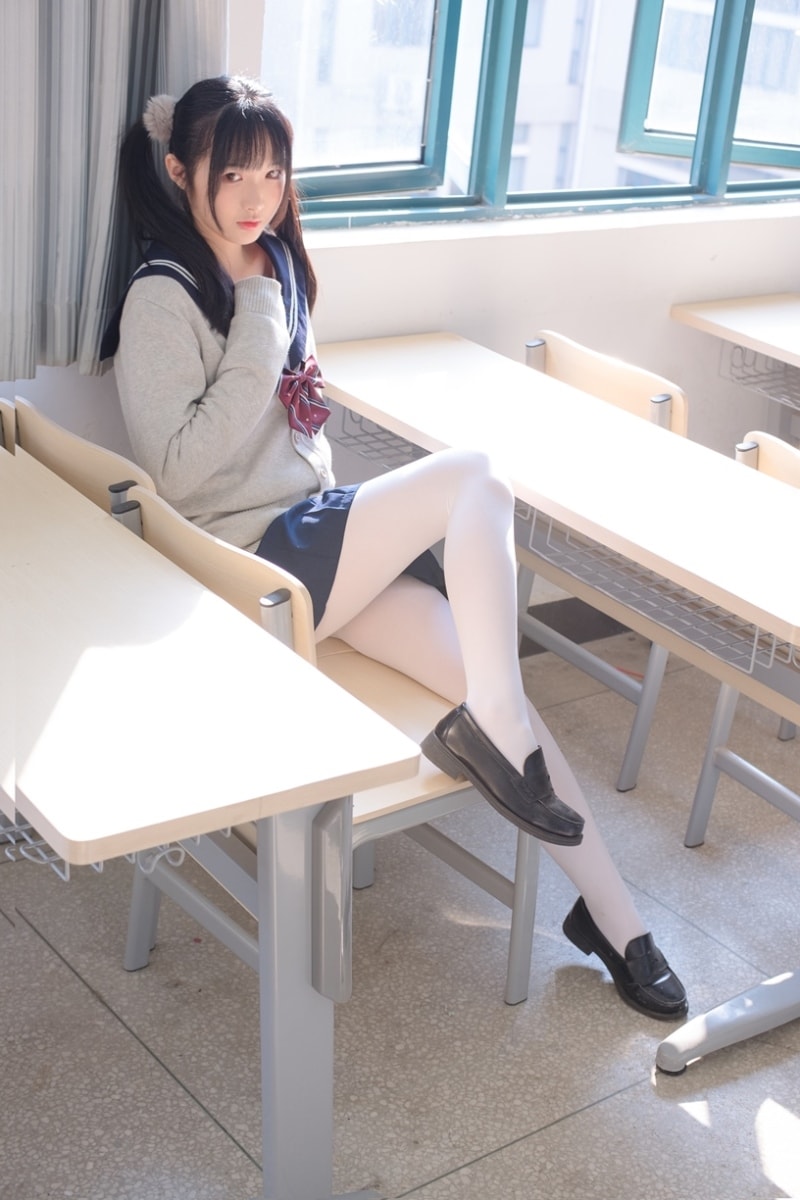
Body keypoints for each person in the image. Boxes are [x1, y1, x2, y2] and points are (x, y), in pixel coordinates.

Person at [103, 75, 687, 1020]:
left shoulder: (272, 264)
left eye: (273, 174)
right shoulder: (165, 297)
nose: (257, 198)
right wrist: (261, 317)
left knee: (490, 685)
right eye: (234, 174)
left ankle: (616, 923)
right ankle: (496, 726)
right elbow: (176, 471)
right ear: (181, 172)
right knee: (476, 478)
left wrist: (270, 301)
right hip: (245, 567)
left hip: (311, 545)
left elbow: (294, 430)